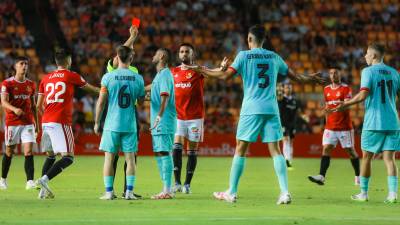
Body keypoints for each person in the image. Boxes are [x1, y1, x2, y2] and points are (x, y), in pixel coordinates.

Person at [188, 24, 325, 204]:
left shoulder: (243, 56)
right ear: (264, 39)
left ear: (250, 39)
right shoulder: (274, 57)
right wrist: (310, 78)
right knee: (276, 149)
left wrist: (201, 70)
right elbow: (296, 77)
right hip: (271, 108)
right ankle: (284, 192)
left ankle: (232, 191)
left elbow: (224, 76)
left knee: (241, 148)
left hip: (251, 108)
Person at [331, 43, 399, 203]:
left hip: (374, 122)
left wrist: (345, 104)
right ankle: (392, 194)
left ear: (374, 56)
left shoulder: (368, 71)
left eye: (367, 53)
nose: (365, 56)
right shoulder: (395, 73)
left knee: (366, 157)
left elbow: (362, 95)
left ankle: (364, 193)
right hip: (393, 122)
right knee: (390, 159)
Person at [36, 48, 99, 199]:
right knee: (68, 157)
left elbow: (38, 106)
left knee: (51, 156)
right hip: (61, 121)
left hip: (46, 121)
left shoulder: (46, 78)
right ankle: (44, 180)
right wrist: (107, 91)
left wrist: (48, 116)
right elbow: (92, 90)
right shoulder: (71, 75)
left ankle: (43, 191)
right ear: (68, 61)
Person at [171, 43, 227, 194]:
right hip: (178, 116)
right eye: (181, 51)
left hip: (195, 117)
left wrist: (221, 68)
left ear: (192, 54)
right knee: (176, 147)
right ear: (179, 54)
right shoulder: (173, 72)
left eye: (186, 52)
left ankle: (187, 184)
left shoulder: (198, 70)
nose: (184, 54)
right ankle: (176, 182)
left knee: (192, 151)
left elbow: (214, 73)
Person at [95, 46, 145, 200]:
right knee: (130, 159)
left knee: (109, 159)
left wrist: (97, 123)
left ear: (117, 57)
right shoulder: (138, 78)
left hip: (111, 124)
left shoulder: (108, 77)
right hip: (129, 125)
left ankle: (109, 192)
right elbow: (141, 101)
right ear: (131, 58)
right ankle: (129, 192)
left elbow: (101, 102)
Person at [105, 26, 142, 198]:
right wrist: (132, 38)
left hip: (128, 112)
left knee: (131, 154)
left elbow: (122, 54)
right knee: (120, 156)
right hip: (121, 113)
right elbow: (119, 55)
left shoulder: (132, 70)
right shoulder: (124, 70)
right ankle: (116, 189)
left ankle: (127, 189)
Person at [308, 68, 360, 186]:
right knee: (326, 149)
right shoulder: (326, 89)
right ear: (329, 76)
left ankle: (358, 176)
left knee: (350, 151)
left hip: (344, 127)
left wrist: (336, 107)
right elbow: (327, 108)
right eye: (331, 73)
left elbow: (346, 106)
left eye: (336, 72)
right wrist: (326, 117)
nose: (333, 75)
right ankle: (321, 176)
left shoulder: (345, 88)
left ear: (340, 75)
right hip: (330, 127)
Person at [0, 56, 39, 190]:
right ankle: (3, 179)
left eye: (26, 64)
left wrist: (37, 125)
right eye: (21, 63)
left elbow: (34, 106)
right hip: (12, 123)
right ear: (15, 66)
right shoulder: (7, 83)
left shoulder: (31, 85)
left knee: (28, 151)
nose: (24, 66)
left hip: (28, 123)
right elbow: (3, 102)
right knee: (9, 151)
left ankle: (30, 181)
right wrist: (14, 109)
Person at [148, 48, 177, 199]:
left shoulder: (165, 74)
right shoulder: (159, 75)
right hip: (160, 121)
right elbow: (157, 96)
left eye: (155, 53)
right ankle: (166, 187)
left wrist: (159, 116)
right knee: (160, 152)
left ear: (162, 56)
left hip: (164, 121)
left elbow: (165, 97)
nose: (153, 56)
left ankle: (167, 190)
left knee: (164, 151)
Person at [278, 82, 300, 169]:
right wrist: (279, 89)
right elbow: (279, 96)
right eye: (287, 87)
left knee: (291, 142)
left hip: (292, 124)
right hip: (283, 123)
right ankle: (286, 159)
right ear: (284, 89)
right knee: (286, 139)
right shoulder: (281, 98)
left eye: (289, 87)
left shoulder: (294, 101)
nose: (288, 89)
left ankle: (290, 160)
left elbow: (297, 112)